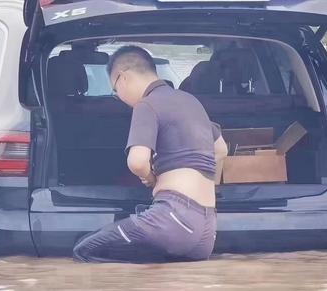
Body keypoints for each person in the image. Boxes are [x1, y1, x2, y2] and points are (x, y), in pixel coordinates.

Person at [73, 45, 228, 263]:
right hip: (207, 231)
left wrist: (151, 179)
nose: (119, 97)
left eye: (115, 92)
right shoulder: (191, 101)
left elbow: (137, 162)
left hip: (173, 219)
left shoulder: (147, 104)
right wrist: (212, 186)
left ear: (122, 78)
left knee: (85, 250)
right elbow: (221, 149)